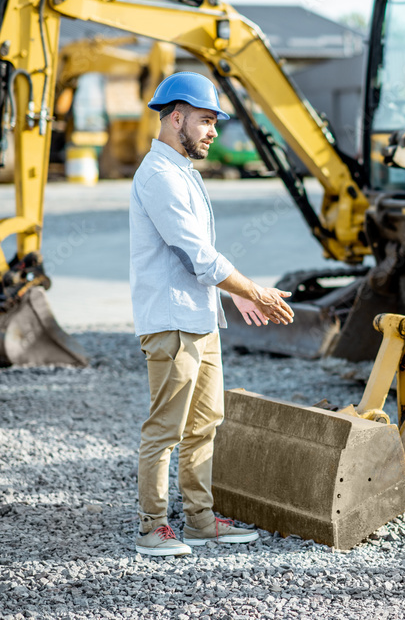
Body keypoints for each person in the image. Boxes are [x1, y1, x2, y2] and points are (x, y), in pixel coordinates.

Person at [129, 71, 295, 557]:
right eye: (205, 120)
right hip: (171, 322)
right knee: (165, 430)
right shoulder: (159, 176)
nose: (214, 131)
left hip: (199, 320)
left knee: (204, 424)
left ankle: (200, 521)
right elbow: (197, 257)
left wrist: (236, 295)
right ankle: (152, 528)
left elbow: (199, 258)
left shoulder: (182, 172)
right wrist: (257, 291)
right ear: (175, 117)